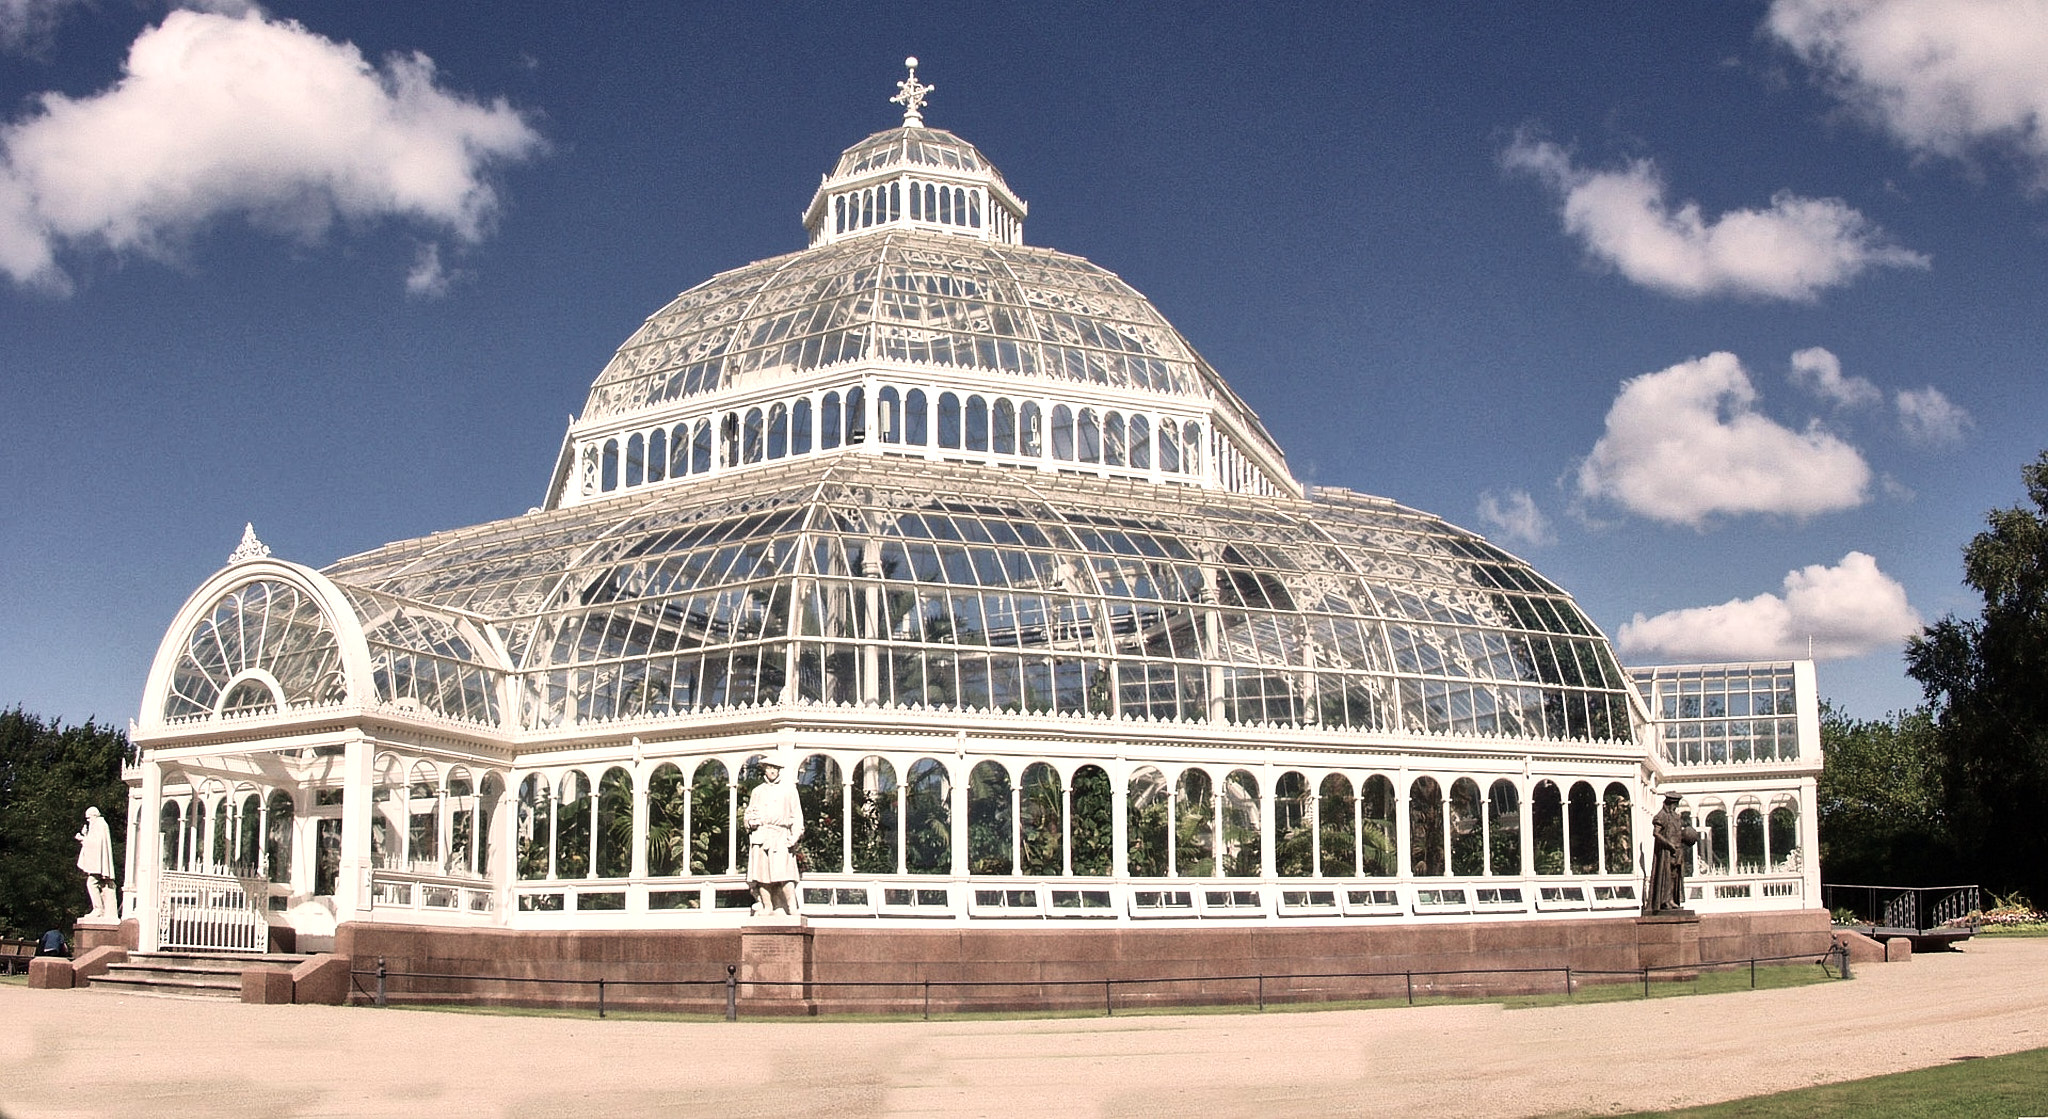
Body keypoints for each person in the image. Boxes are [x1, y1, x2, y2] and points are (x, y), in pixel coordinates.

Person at [742, 759, 805, 916]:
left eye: (775, 768)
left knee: (785, 874)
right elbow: (748, 815)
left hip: (781, 835)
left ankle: (791, 906)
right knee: (762, 875)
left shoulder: (789, 790)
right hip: (762, 835)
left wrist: (795, 835)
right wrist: (750, 822)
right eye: (770, 768)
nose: (772, 771)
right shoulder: (758, 791)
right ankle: (767, 906)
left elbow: (797, 816)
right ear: (764, 769)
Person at [1646, 793, 1699, 914]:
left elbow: (1677, 832)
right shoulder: (1661, 815)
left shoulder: (1675, 816)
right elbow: (1656, 833)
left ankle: (1671, 899)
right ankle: (1665, 900)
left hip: (1678, 851)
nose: (1676, 806)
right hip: (1667, 851)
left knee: (1674, 875)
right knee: (1666, 874)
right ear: (1671, 803)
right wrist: (1669, 844)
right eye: (1675, 804)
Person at [75, 806, 117, 921]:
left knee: (91, 884)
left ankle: (98, 909)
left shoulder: (99, 825)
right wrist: (86, 835)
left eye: (88, 818)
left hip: (98, 864)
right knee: (94, 884)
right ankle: (99, 909)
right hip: (98, 863)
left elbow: (96, 845)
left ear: (94, 815)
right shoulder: (98, 825)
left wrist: (82, 839)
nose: (88, 820)